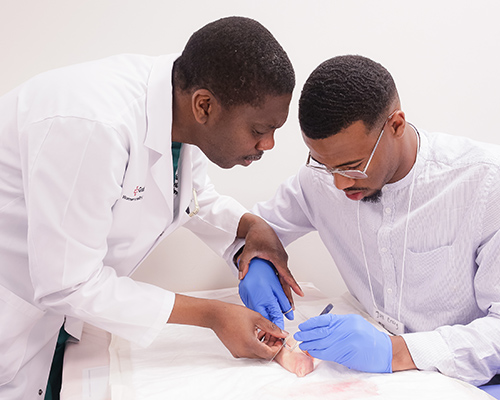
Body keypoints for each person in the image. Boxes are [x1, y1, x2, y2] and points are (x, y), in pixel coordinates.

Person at [0, 16, 303, 399]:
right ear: (204, 106)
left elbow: (188, 195)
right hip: (14, 317)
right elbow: (68, 282)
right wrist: (212, 315)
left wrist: (249, 228)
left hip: (50, 325)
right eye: (259, 131)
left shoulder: (180, 105)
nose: (269, 145)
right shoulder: (94, 126)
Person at [235, 55, 500, 386]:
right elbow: (255, 226)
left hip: (473, 381)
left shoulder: (485, 184)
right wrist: (254, 257)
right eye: (325, 165)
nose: (339, 183)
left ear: (396, 125)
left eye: (351, 166)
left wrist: (396, 351)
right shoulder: (320, 180)